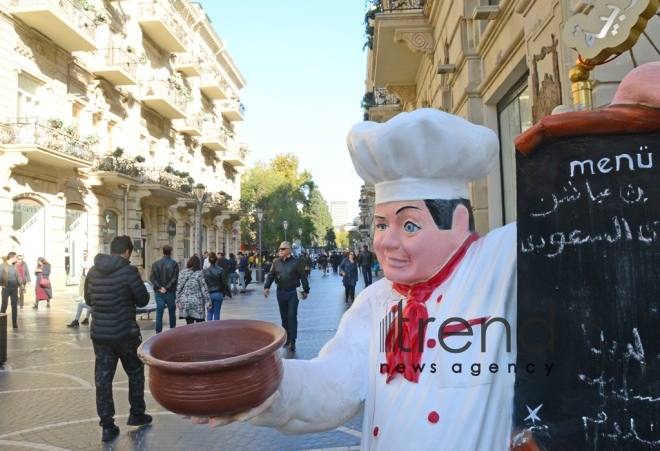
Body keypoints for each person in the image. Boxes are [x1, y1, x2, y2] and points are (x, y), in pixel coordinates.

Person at [193, 109, 516, 449]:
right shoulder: (377, 300)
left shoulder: (497, 265)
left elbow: (563, 233)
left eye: (409, 225)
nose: (386, 242)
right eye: (380, 224)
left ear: (460, 221)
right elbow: (337, 382)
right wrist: (260, 385)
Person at [84, 235, 152, 442]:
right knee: (135, 371)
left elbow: (88, 299)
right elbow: (143, 299)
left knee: (103, 379)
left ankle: (107, 426)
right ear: (127, 252)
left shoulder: (93, 271)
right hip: (125, 333)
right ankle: (137, 412)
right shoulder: (129, 271)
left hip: (101, 334)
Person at [263, 241, 310, 351]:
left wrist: (306, 290)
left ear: (289, 250)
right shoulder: (275, 262)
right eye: (280, 248)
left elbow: (303, 277)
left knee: (292, 316)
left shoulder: (296, 262)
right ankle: (287, 339)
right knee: (284, 318)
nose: (280, 250)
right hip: (280, 293)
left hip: (292, 293)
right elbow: (270, 276)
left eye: (283, 249)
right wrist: (266, 287)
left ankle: (292, 341)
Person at [149, 244, 179, 334]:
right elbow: (175, 278)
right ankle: (172, 331)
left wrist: (160, 287)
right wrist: (166, 287)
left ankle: (158, 332)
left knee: (159, 312)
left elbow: (152, 278)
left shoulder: (155, 264)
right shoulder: (174, 264)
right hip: (170, 292)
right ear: (171, 252)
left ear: (162, 252)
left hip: (159, 292)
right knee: (172, 312)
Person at [176, 255, 210, 324]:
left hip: (186, 301)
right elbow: (204, 289)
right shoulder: (200, 273)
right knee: (200, 324)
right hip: (197, 302)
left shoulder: (182, 273)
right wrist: (208, 303)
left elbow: (179, 288)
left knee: (189, 324)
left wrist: (177, 300)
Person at [203, 253, 232, 321]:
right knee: (217, 313)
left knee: (209, 312)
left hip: (209, 293)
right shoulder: (220, 270)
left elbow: (204, 284)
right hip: (218, 293)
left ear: (209, 261)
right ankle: (216, 329)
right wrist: (228, 292)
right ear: (216, 261)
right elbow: (224, 283)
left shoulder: (205, 271)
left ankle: (209, 328)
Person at [1, 252, 21, 328]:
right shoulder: (3, 266)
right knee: (4, 305)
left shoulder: (15, 266)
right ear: (12, 257)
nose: (17, 259)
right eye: (16, 257)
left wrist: (21, 285)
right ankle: (1, 322)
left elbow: (17, 276)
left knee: (14, 306)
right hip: (6, 288)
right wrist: (1, 284)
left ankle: (14, 323)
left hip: (14, 288)